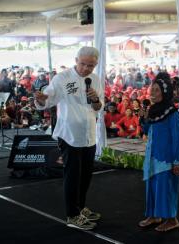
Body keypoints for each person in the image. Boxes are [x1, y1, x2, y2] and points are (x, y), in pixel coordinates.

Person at [35, 46, 103, 231]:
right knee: (73, 175)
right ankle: (72, 215)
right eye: (83, 64)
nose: (86, 69)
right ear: (76, 60)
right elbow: (47, 100)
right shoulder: (62, 78)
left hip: (89, 133)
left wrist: (96, 99)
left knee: (86, 175)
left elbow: (98, 108)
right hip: (69, 134)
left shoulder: (95, 79)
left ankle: (80, 207)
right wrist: (41, 99)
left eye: (91, 65)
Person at [139, 72, 179, 232]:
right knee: (152, 186)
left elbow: (177, 138)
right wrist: (143, 116)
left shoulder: (172, 113)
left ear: (165, 92)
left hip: (166, 158)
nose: (152, 93)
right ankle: (153, 215)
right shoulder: (151, 110)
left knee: (166, 188)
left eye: (156, 90)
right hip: (152, 156)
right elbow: (145, 129)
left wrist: (176, 160)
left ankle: (171, 219)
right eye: (152, 90)